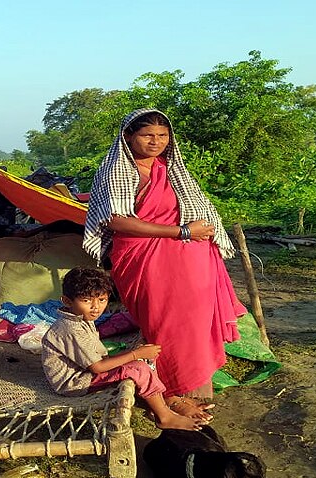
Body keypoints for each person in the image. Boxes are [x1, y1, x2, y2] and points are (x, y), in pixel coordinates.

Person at [82, 108, 247, 421]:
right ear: (128, 136)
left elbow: (194, 206)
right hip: (143, 258)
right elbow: (118, 221)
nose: (155, 142)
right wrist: (183, 232)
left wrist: (197, 232)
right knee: (166, 326)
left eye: (162, 135)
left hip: (190, 260)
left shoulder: (169, 169)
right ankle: (170, 394)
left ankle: (193, 388)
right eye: (147, 135)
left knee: (194, 324)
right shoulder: (116, 171)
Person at [41, 268, 206, 430]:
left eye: (102, 300)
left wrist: (136, 355)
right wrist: (135, 354)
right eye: (86, 301)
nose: (95, 307)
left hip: (87, 370)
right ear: (67, 301)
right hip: (75, 382)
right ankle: (164, 417)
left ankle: (161, 403)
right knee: (139, 367)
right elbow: (97, 367)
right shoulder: (70, 329)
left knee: (145, 359)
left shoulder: (81, 317)